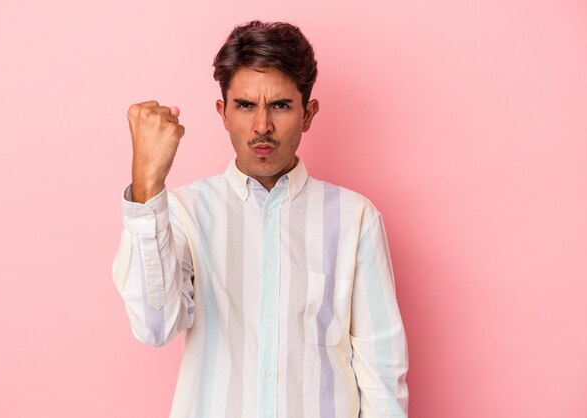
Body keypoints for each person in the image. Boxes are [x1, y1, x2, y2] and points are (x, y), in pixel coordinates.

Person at [112, 20, 409, 418]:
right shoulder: (184, 213)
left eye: (281, 105)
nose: (262, 126)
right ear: (223, 112)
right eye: (246, 105)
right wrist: (148, 181)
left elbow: (382, 373)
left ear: (308, 113)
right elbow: (154, 326)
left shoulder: (355, 219)